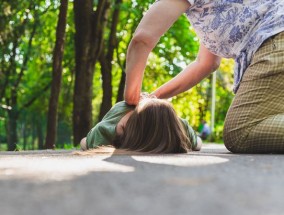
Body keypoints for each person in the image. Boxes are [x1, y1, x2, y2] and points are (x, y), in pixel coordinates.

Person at [123, 0, 284, 153]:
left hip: (276, 37)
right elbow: (205, 64)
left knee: (241, 131)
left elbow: (142, 39)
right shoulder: (211, 10)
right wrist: (151, 98)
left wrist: (132, 97)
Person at [80, 97, 202, 153]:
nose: (121, 126)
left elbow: (84, 142)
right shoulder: (181, 127)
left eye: (123, 127)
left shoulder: (106, 131)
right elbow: (197, 143)